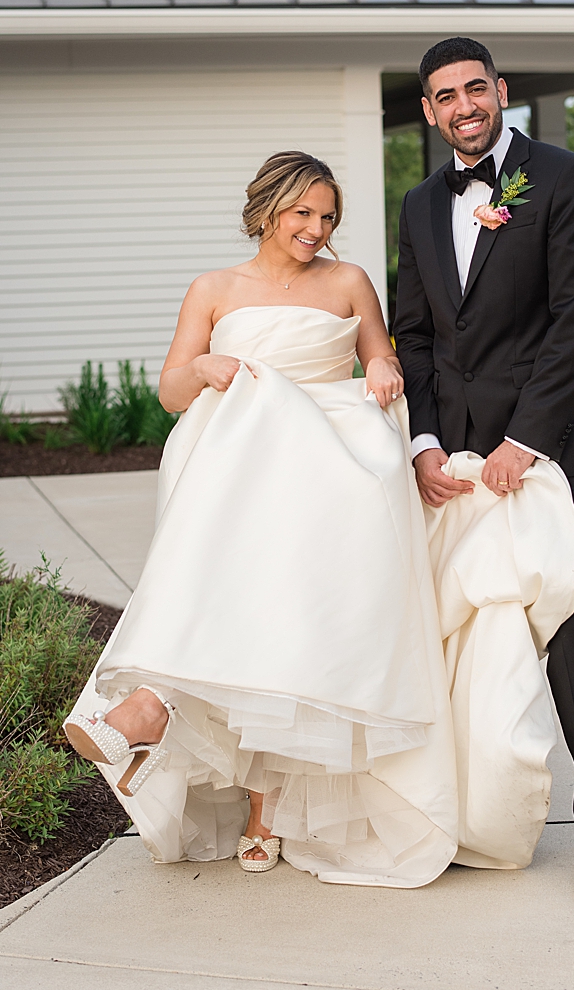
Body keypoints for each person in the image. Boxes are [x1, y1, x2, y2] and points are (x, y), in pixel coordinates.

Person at [63, 152, 465, 884]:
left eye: (328, 217)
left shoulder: (347, 282)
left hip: (325, 456)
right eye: (302, 214)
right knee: (243, 603)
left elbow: (384, 356)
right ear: (265, 210)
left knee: (290, 623)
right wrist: (204, 369)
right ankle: (164, 713)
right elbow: (171, 390)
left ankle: (163, 716)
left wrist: (381, 366)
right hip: (240, 458)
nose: (317, 229)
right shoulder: (214, 288)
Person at [393, 37, 574, 903]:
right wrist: (421, 444)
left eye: (476, 88)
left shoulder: (562, 179)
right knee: (457, 630)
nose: (464, 105)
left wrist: (524, 441)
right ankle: (471, 811)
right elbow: (413, 335)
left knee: (568, 624)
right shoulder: (420, 204)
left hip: (542, 454)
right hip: (450, 463)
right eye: (445, 95)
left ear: (502, 90)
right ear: (428, 110)